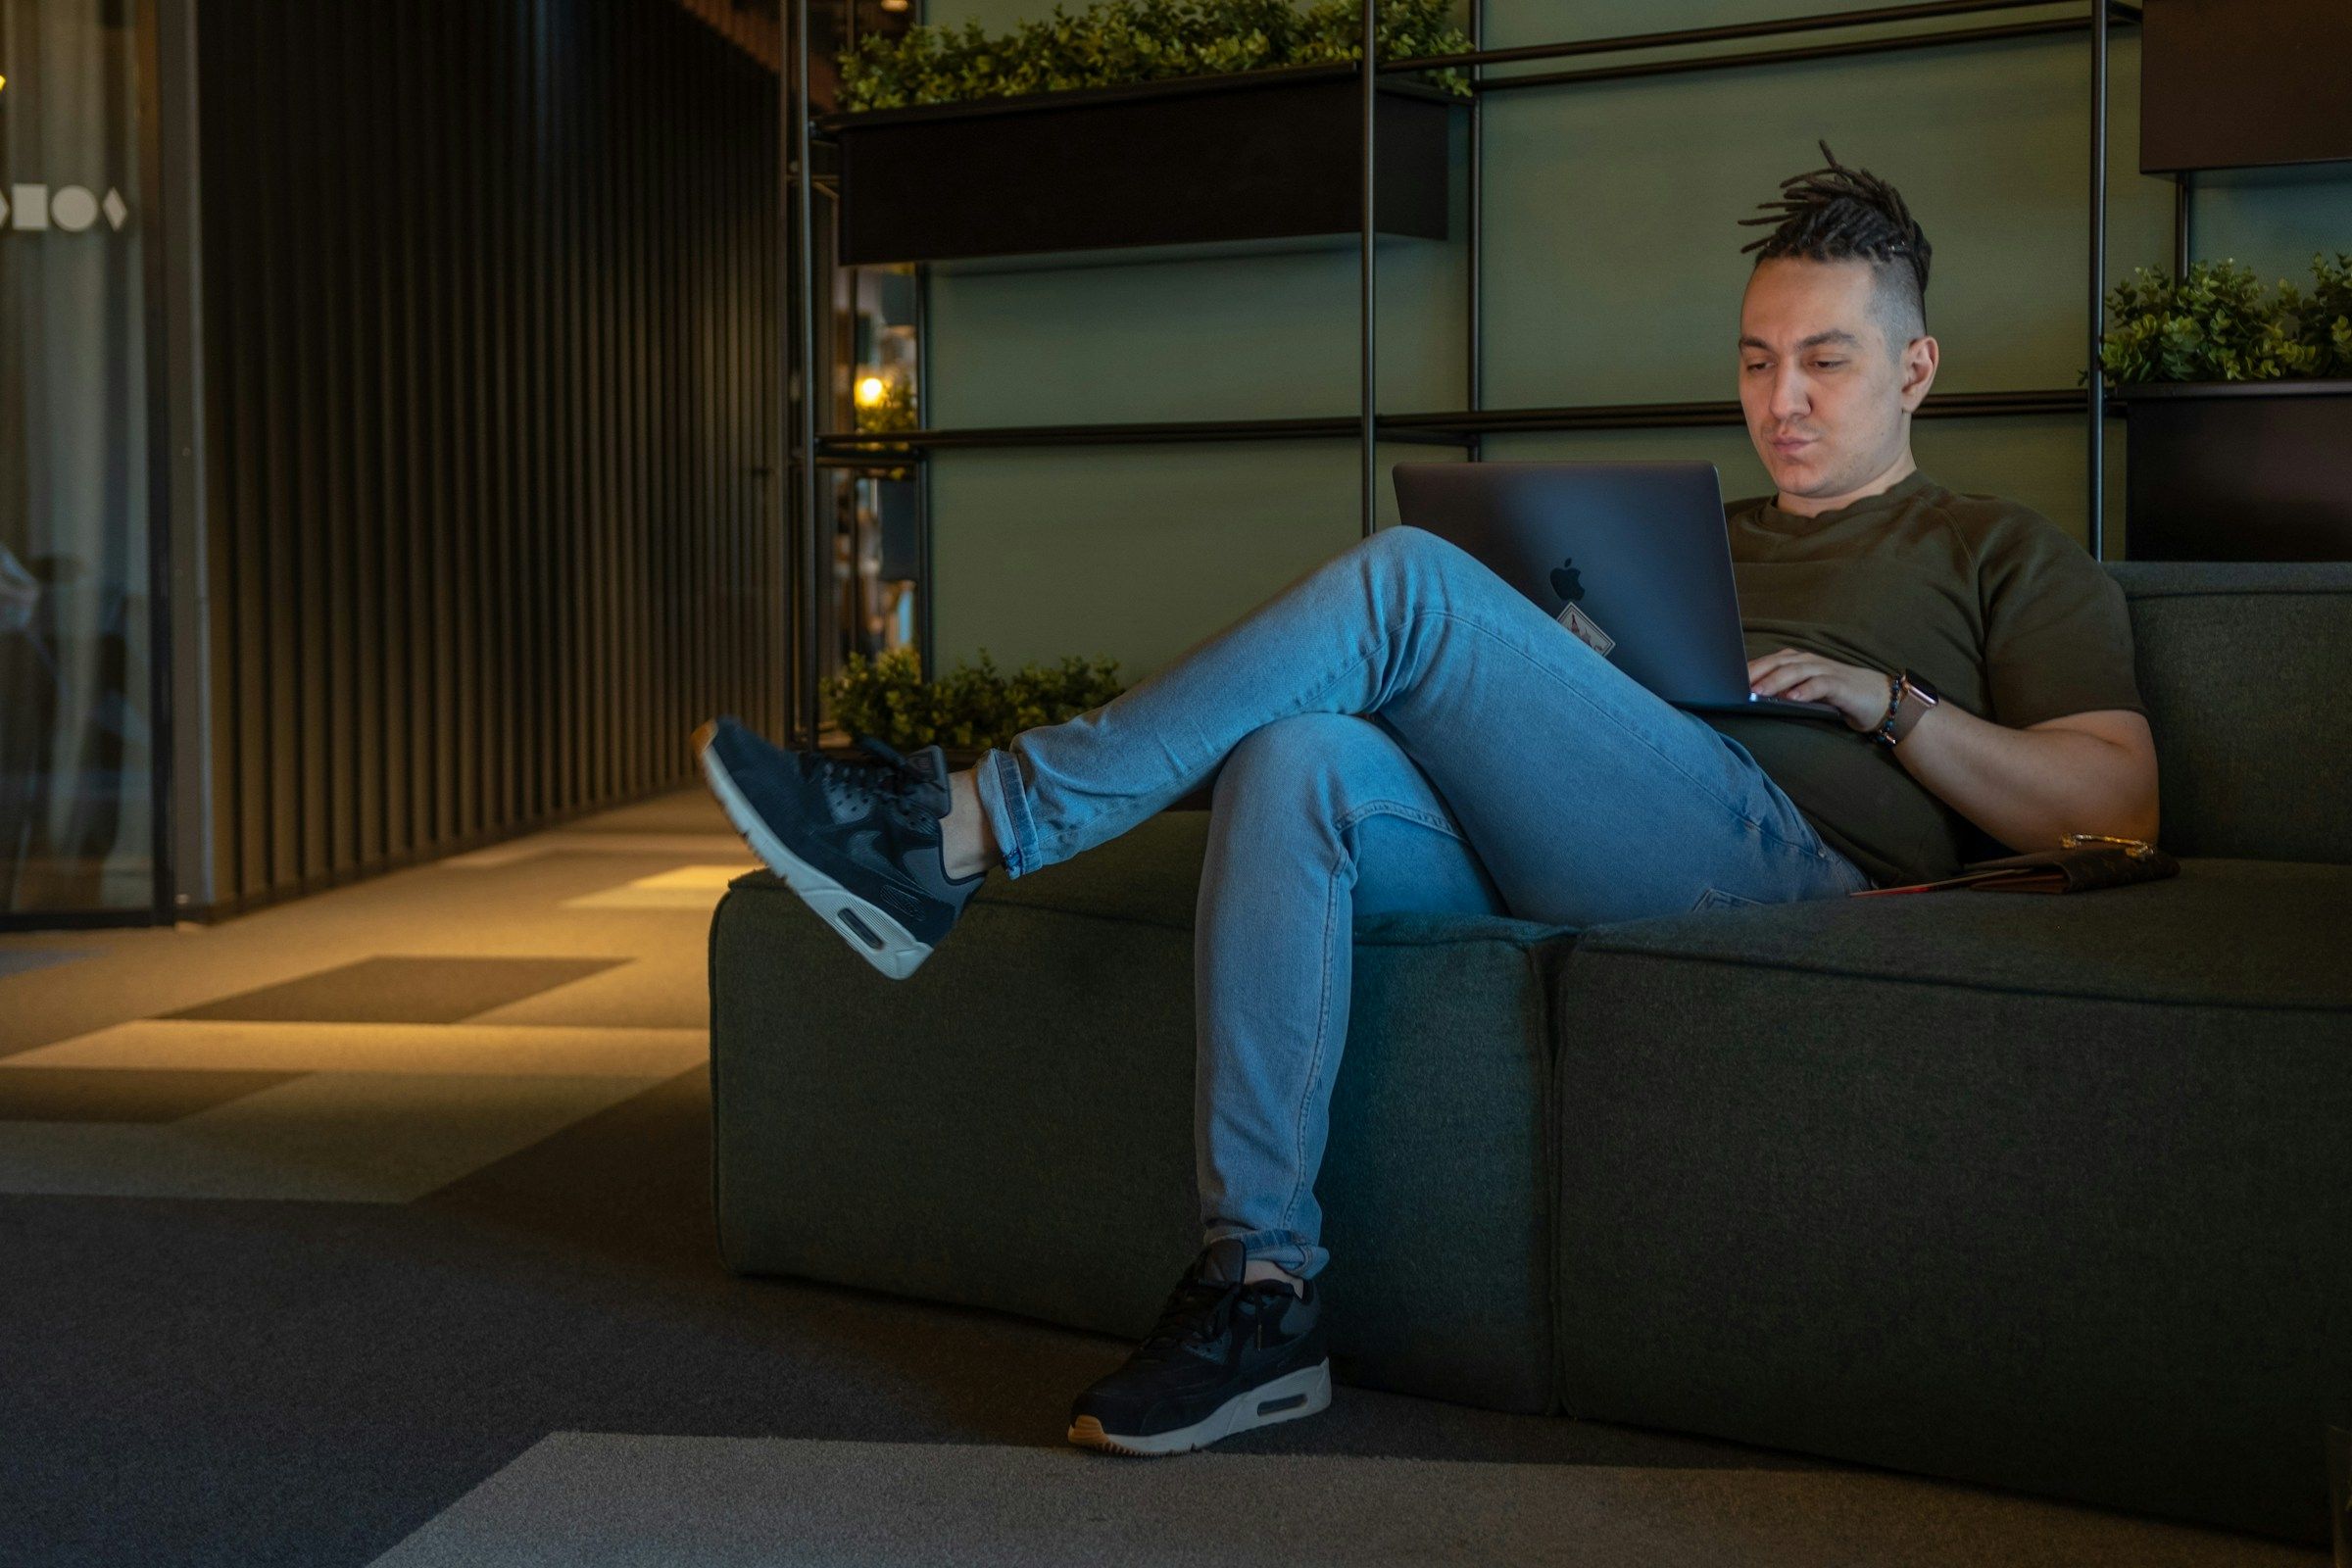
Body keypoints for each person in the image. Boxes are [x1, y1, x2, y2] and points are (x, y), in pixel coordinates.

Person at [690, 143, 2158, 1458]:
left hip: (1797, 869)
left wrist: (1894, 707)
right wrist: (1568, 669)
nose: (1781, 398)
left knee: (1403, 581)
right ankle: (1258, 1286)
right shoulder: (1685, 542)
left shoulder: (1998, 552)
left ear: (1916, 370)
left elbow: (2117, 802)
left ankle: (955, 829)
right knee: (1302, 757)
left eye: (1826, 362)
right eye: (1758, 358)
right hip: (1602, 821)